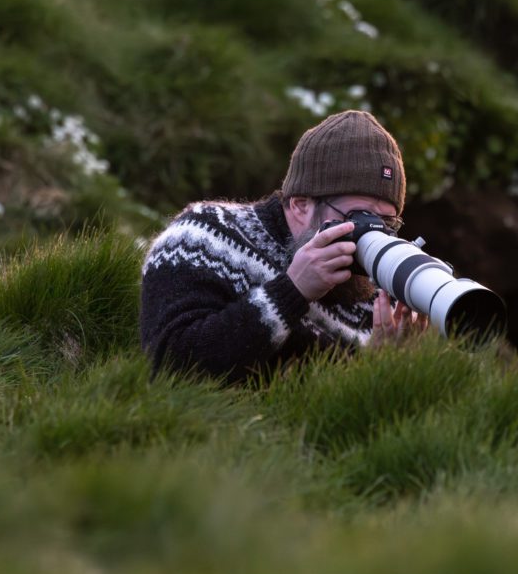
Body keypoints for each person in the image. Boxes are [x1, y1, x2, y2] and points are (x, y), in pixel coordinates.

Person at [139, 109, 428, 382]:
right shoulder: (203, 237)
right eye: (358, 218)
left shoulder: (377, 293)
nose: (373, 234)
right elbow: (167, 365)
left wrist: (386, 364)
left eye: (386, 223)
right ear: (301, 204)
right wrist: (291, 292)